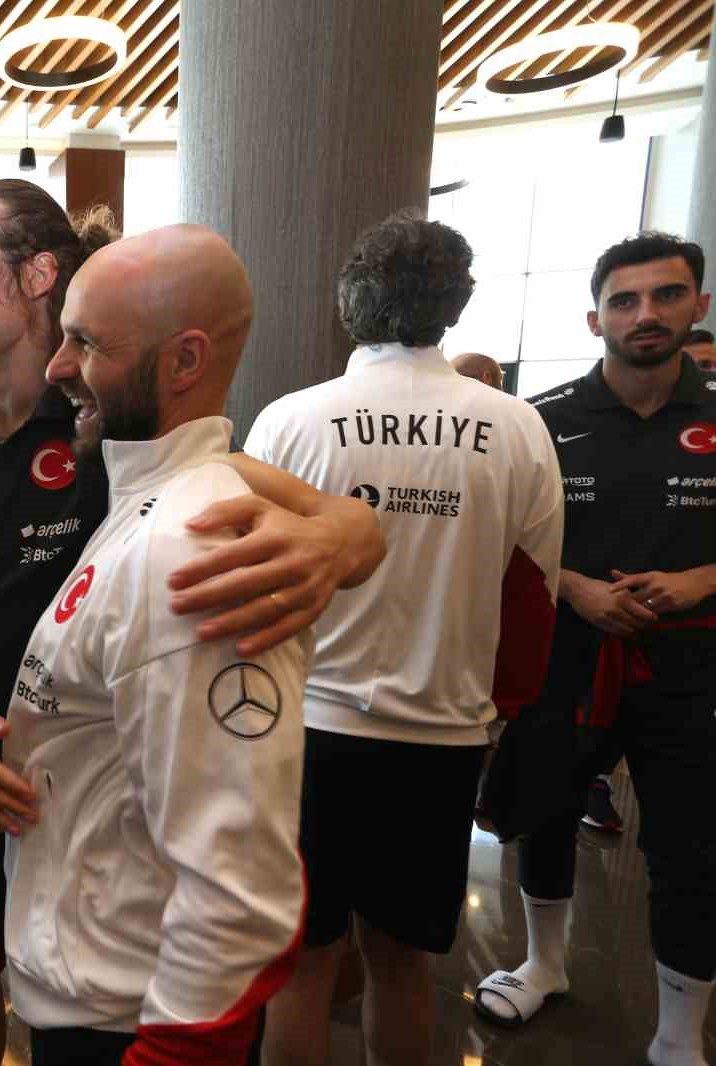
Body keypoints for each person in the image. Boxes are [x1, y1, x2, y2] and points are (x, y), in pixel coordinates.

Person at [0, 179, 386, 1066]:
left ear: (37, 276)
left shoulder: (101, 414)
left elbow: (284, 497)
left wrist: (344, 538)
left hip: (8, 749)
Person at [246, 212, 563, 1066]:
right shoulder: (517, 428)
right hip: (442, 735)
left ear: (350, 300)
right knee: (402, 964)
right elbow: (534, 596)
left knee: (303, 966)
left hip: (308, 730)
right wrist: (499, 714)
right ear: (455, 305)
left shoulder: (291, 421)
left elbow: (258, 585)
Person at [4, 223, 310, 1065]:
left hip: (128, 1017)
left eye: (86, 342)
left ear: (184, 362)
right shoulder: (146, 500)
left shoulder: (188, 547)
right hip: (95, 975)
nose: (58, 367)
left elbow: (240, 887)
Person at [476, 232, 715, 1066]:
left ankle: (679, 1033)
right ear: (595, 318)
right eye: (625, 300)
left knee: (691, 848)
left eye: (667, 295)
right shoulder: (542, 420)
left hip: (692, 672)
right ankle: (543, 965)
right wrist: (575, 587)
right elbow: (502, 537)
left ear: (698, 305)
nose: (646, 313)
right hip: (566, 660)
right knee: (545, 817)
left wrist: (701, 578)